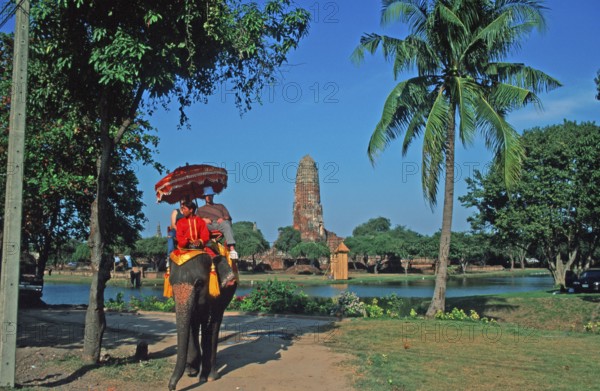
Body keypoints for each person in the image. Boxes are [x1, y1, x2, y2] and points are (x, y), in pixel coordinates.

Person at [174, 200, 235, 288]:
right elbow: (179, 237)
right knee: (173, 260)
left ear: (191, 210)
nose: (182, 211)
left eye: (184, 209)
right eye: (182, 209)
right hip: (185, 248)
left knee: (216, 256)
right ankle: (175, 285)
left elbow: (205, 235)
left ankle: (227, 278)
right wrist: (188, 241)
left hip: (200, 247)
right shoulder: (180, 222)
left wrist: (200, 241)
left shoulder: (200, 221)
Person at [196, 186, 238, 260]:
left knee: (226, 224)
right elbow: (195, 221)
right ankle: (207, 247)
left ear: (213, 196)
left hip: (220, 224)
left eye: (210, 196)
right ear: (204, 197)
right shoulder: (200, 210)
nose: (208, 197)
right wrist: (202, 220)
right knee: (202, 226)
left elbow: (228, 216)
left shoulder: (220, 206)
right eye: (207, 196)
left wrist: (223, 218)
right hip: (208, 225)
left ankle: (232, 249)